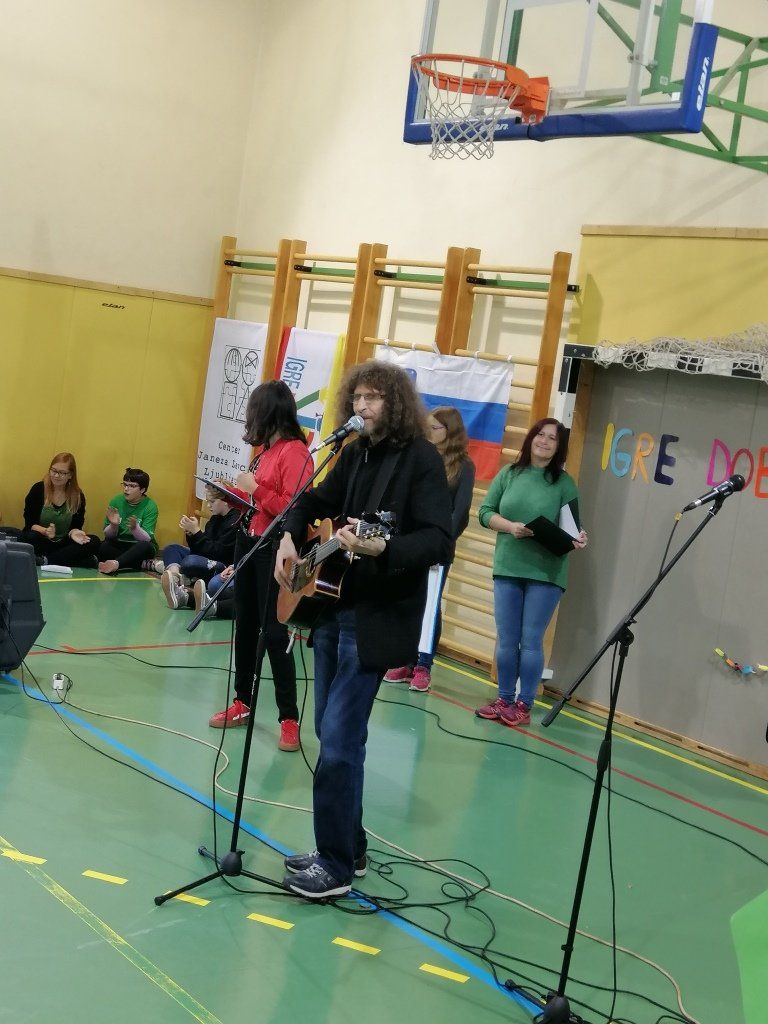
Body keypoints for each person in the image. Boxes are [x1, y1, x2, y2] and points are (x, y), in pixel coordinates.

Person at [275, 360, 453, 898]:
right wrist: (289, 536)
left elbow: (438, 541)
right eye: (357, 396)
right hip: (332, 609)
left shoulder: (420, 460)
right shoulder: (354, 453)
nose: (362, 405)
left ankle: (333, 866)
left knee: (339, 738)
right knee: (332, 733)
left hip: (375, 618)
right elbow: (311, 501)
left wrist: (383, 547)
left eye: (373, 397)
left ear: (394, 403)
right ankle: (349, 848)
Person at [208, 380, 313, 753]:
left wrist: (254, 489)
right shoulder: (264, 452)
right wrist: (233, 494)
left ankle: (289, 718)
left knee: (275, 633)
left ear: (267, 413)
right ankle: (243, 701)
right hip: (248, 544)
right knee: (246, 627)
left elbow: (293, 507)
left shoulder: (295, 452)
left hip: (274, 551)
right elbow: (259, 505)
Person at [475, 418, 587, 729]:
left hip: (546, 572)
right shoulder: (509, 474)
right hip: (508, 566)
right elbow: (485, 513)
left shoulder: (564, 483)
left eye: (553, 438)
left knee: (531, 640)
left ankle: (524, 704)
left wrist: (579, 537)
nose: (545, 441)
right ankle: (504, 699)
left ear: (559, 447)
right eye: (541, 434)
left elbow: (571, 528)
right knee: (507, 638)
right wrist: (510, 527)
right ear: (531, 438)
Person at [383, 406, 475, 692]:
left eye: (435, 428)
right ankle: (405, 658)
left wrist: (439, 542)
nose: (428, 432)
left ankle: (424, 663)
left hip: (437, 547)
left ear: (450, 431)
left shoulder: (463, 466)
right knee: (408, 598)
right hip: (412, 543)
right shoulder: (421, 457)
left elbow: (460, 512)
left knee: (431, 604)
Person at [157, 485, 239, 610]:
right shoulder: (215, 518)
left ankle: (183, 577)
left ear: (226, 501)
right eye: (208, 501)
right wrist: (191, 535)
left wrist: (197, 532)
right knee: (172, 548)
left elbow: (219, 552)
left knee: (190, 561)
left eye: (212, 502)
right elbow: (200, 548)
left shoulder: (235, 521)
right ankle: (175, 577)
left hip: (221, 563)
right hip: (206, 557)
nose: (209, 505)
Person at [19, 453, 99, 567]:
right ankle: (77, 561)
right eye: (53, 471)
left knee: (94, 541)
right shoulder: (38, 489)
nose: (56, 475)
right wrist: (45, 531)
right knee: (29, 537)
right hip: (41, 539)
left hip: (64, 543)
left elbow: (76, 526)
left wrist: (75, 533)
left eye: (62, 473)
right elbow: (30, 523)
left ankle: (46, 560)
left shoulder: (77, 495)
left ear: (70, 475)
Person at [98, 468, 159, 574]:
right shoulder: (116, 500)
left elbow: (147, 539)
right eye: (125, 484)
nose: (126, 489)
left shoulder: (150, 506)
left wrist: (135, 529)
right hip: (120, 543)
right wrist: (113, 525)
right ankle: (141, 564)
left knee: (144, 546)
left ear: (142, 490)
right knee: (103, 546)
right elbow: (108, 535)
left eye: (132, 486)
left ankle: (116, 564)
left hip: (139, 546)